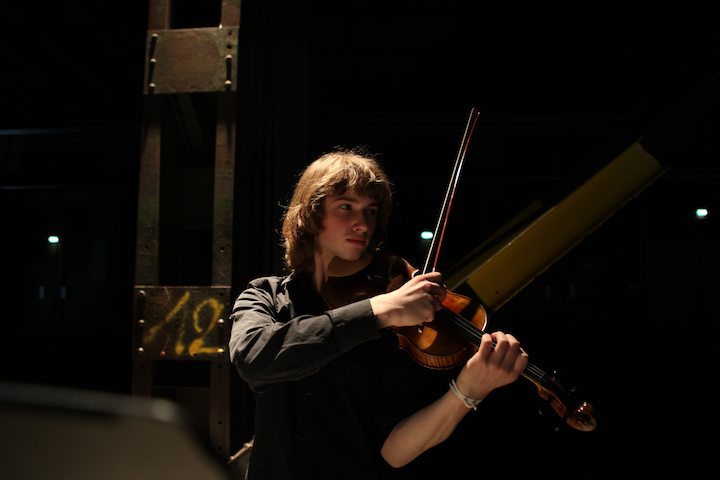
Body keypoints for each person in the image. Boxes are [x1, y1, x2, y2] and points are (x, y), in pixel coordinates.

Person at [228, 147, 529, 480]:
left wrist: (468, 390)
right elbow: (252, 358)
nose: (363, 224)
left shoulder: (395, 326)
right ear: (311, 216)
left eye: (370, 211)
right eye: (346, 207)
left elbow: (393, 451)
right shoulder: (266, 295)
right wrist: (379, 309)